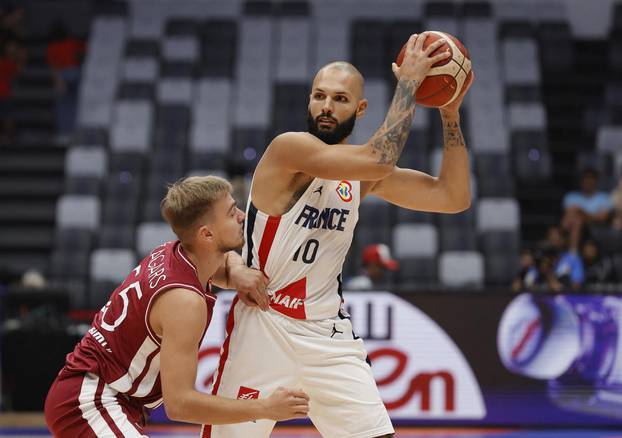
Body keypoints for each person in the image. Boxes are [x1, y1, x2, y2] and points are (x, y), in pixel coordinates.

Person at [203, 33, 473, 438]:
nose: (326, 106)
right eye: (319, 96)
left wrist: (449, 115)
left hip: (327, 332)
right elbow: (380, 156)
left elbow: (453, 197)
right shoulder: (288, 149)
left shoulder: (362, 177)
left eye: (340, 99)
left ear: (361, 108)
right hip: (264, 322)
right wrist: (408, 85)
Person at [44, 176, 309, 437]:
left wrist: (237, 271)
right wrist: (265, 408)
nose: (241, 215)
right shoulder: (184, 301)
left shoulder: (172, 252)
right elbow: (180, 405)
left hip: (103, 396)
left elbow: (225, 261)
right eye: (231, 213)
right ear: (206, 233)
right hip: (90, 401)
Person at [46, 20, 84, 143]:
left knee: (62, 107)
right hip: (76, 73)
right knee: (73, 106)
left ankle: (64, 134)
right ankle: (72, 133)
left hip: (64, 75)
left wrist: (59, 81)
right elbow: (82, 52)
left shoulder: (52, 47)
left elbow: (55, 67)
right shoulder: (73, 43)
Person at [561, 168, 613, 251]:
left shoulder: (605, 198)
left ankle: (572, 253)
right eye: (585, 178)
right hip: (571, 230)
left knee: (577, 220)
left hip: (596, 233)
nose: (588, 181)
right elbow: (566, 222)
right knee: (576, 221)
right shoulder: (570, 196)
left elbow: (602, 218)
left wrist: (581, 212)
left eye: (591, 178)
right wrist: (587, 215)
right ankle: (572, 251)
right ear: (581, 180)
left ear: (596, 181)